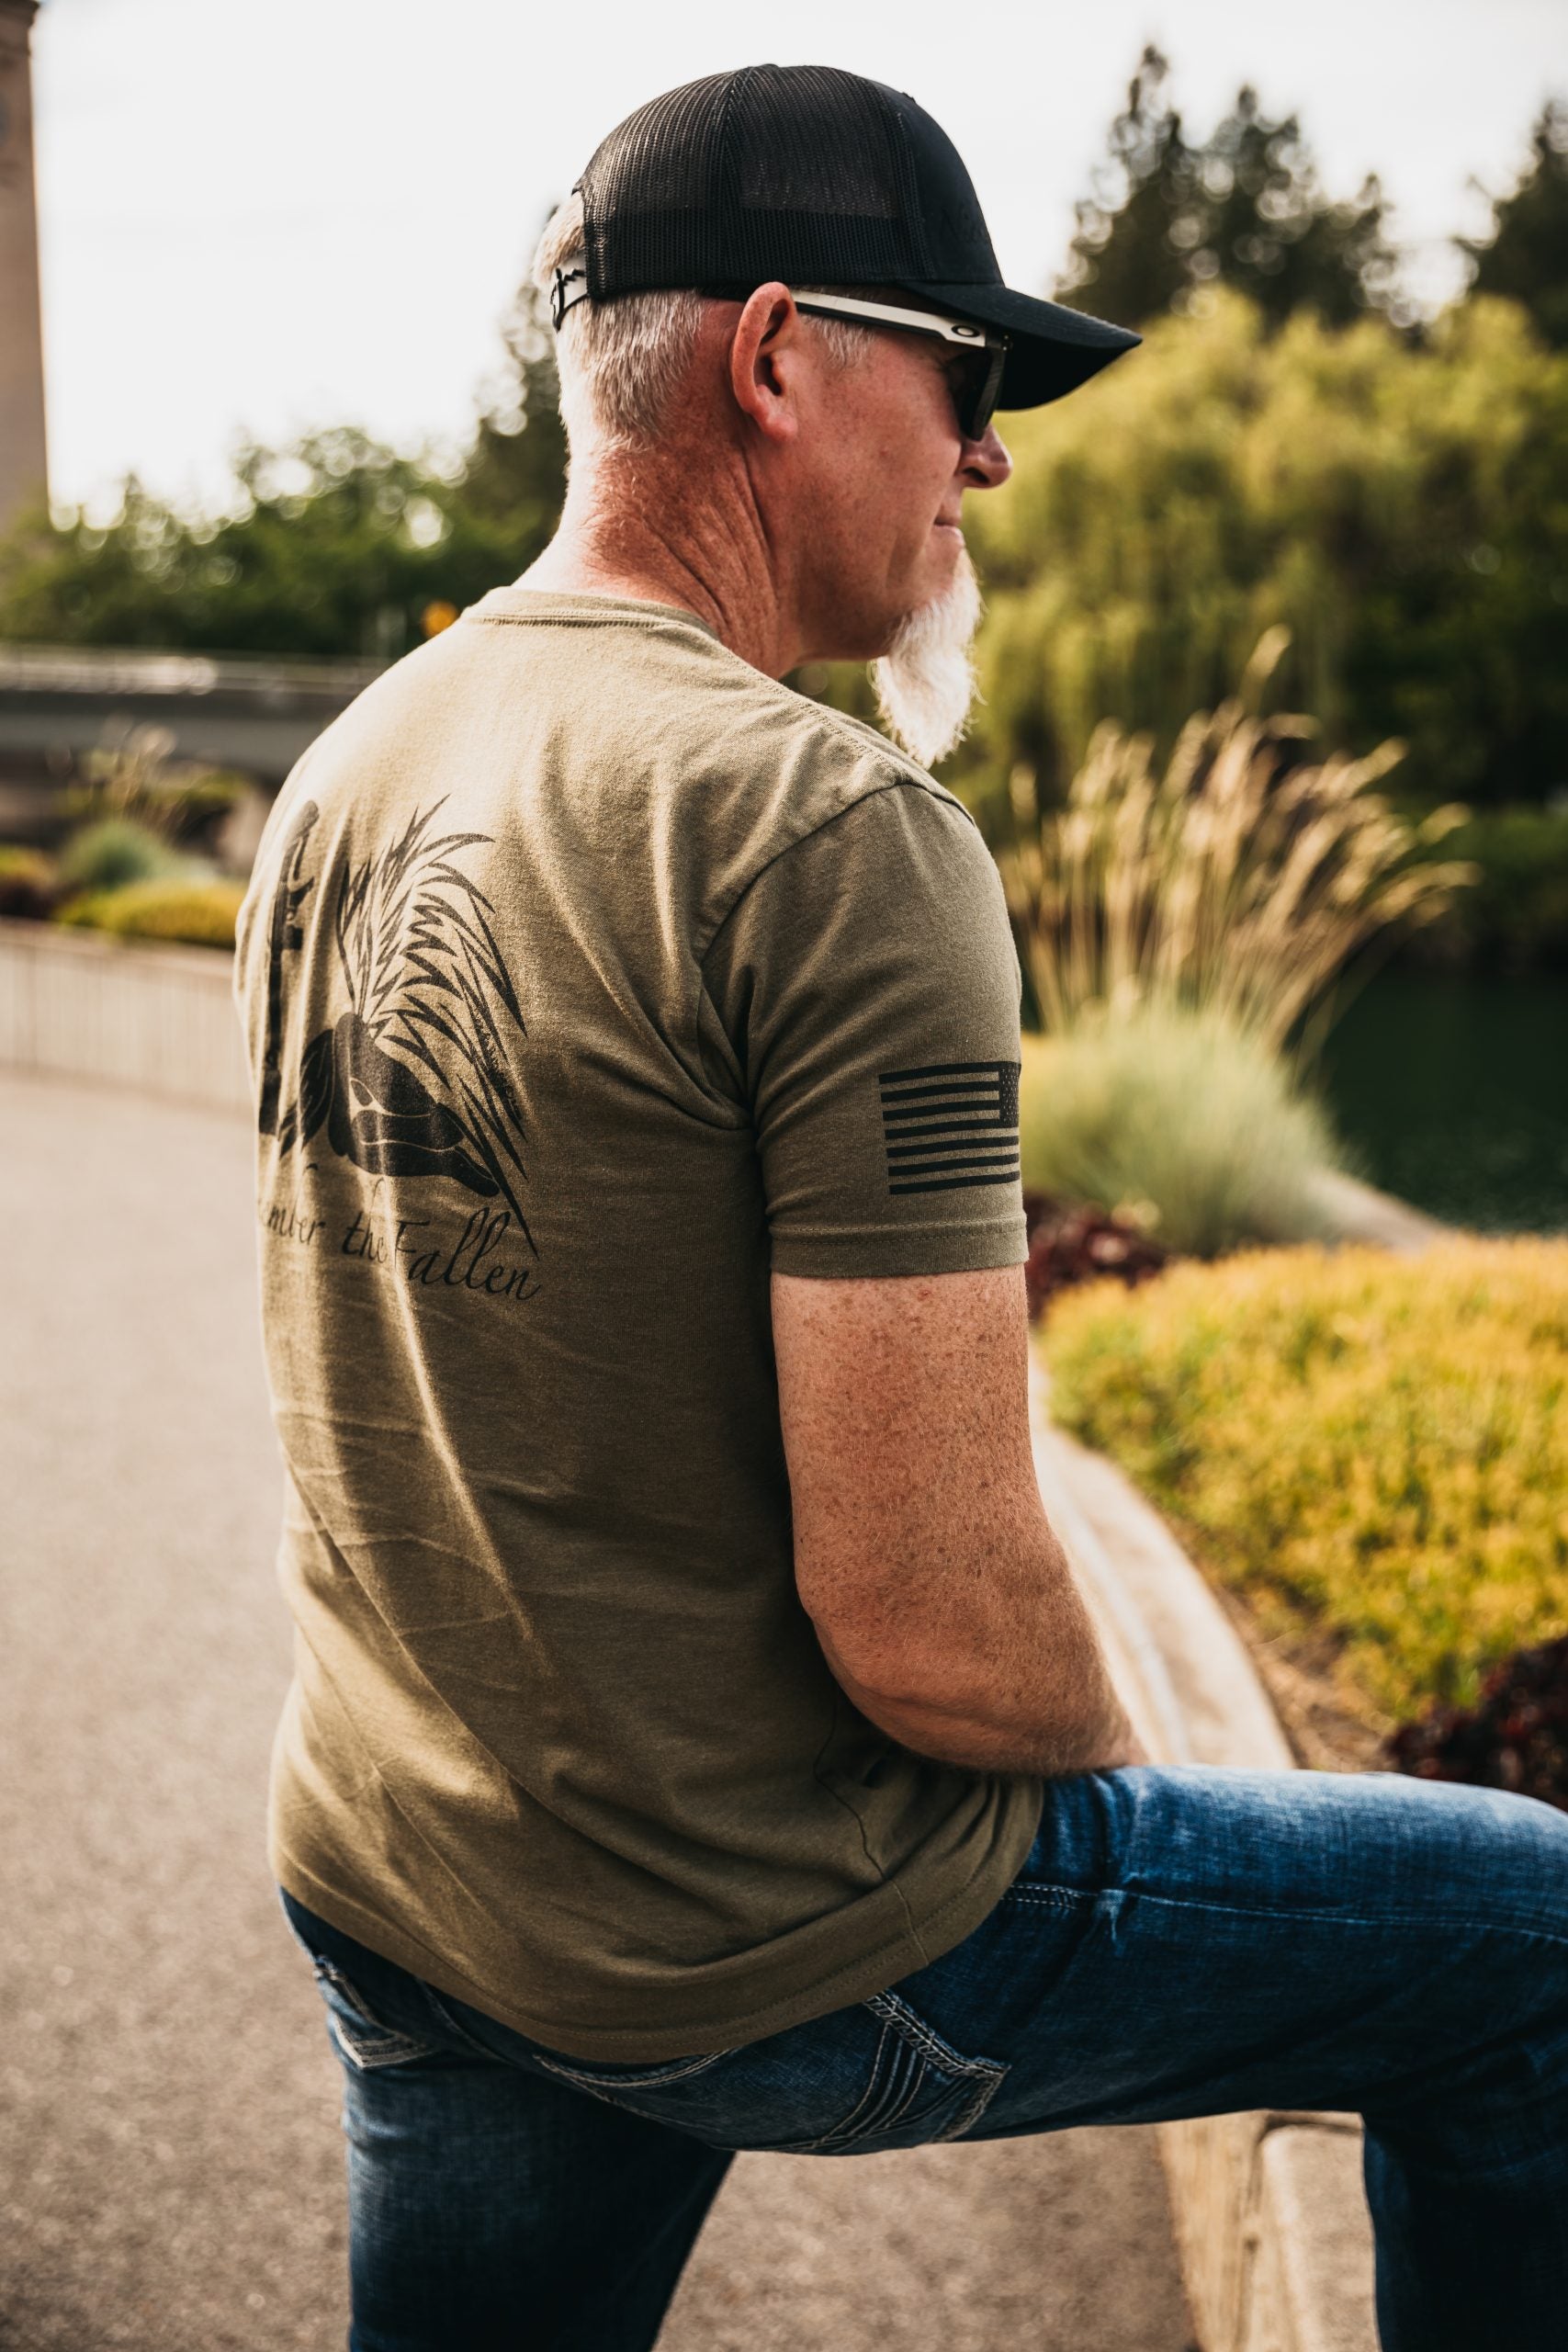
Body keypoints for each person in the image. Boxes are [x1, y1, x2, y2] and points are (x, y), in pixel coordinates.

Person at [233, 63, 1568, 2352]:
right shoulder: (824, 832)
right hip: (746, 1933)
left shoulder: (362, 759)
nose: (990, 457)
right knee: (1528, 1945)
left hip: (408, 1866)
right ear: (772, 358)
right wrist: (1138, 1778)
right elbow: (935, 1626)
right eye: (964, 377)